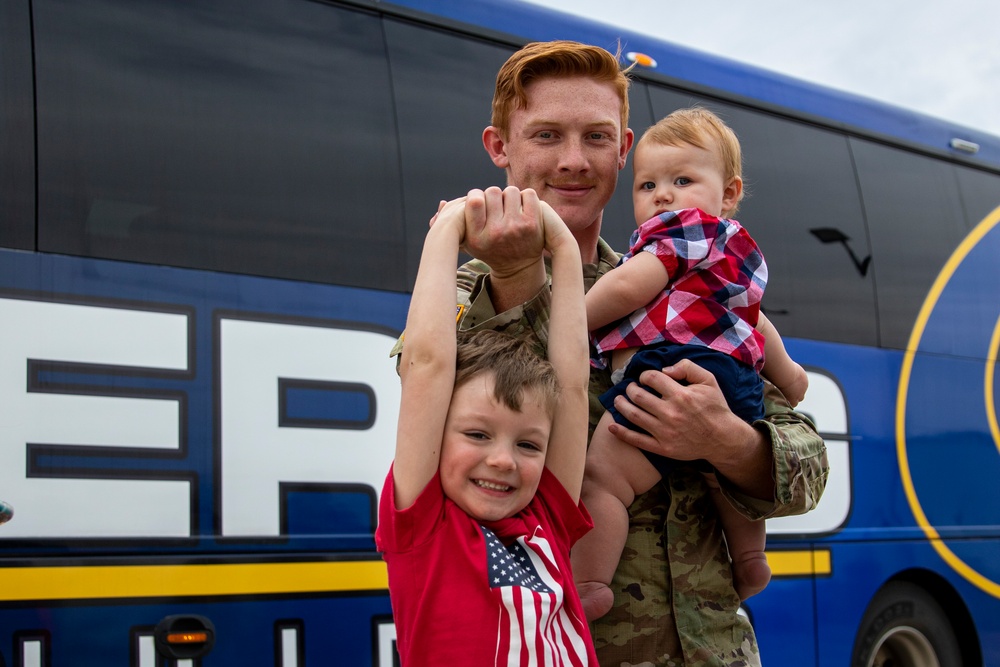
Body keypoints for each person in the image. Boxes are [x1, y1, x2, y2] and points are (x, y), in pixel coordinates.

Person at [392, 40, 828, 666]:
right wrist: (519, 281)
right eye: (545, 135)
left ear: (623, 150)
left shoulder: (687, 289)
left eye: (597, 138)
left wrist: (726, 440)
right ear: (499, 148)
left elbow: (808, 468)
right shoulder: (467, 293)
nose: (574, 161)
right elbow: (430, 422)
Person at [571, 107, 809, 621]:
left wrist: (570, 318)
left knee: (605, 479)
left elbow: (631, 285)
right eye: (647, 184)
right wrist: (788, 375)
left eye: (682, 180)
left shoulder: (676, 233)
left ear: (728, 193)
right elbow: (756, 324)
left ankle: (589, 581)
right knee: (720, 477)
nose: (661, 195)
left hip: (671, 370)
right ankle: (748, 559)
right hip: (736, 381)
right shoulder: (733, 252)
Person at [376, 189, 597, 665]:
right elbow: (428, 364)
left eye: (528, 444)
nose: (503, 460)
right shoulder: (423, 527)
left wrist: (561, 244)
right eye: (477, 434)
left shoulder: (547, 520)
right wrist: (448, 228)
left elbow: (574, 385)